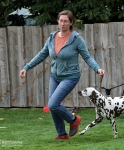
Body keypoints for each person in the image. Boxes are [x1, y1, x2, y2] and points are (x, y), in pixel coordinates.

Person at [19, 10, 105, 140]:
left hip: (70, 76)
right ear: (57, 22)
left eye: (65, 21)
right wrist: (27, 67)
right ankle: (62, 134)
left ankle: (73, 119)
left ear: (71, 23)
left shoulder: (76, 39)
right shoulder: (52, 38)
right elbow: (42, 54)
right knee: (53, 106)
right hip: (55, 76)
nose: (62, 23)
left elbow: (87, 56)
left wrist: (97, 68)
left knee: (53, 104)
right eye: (60, 20)